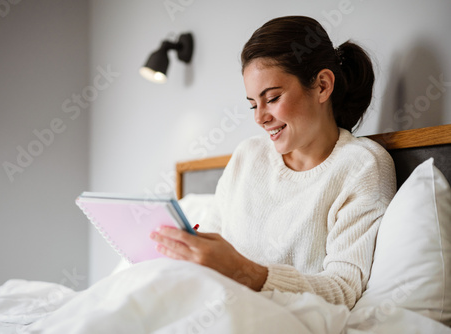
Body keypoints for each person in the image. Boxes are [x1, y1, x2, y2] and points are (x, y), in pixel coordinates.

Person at [150, 15, 396, 309]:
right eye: (253, 104)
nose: (259, 117)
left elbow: (343, 290)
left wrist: (247, 273)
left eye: (273, 98)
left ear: (322, 85)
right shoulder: (248, 155)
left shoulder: (361, 166)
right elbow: (213, 236)